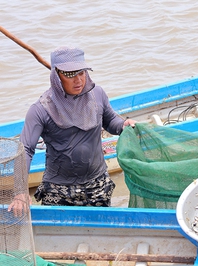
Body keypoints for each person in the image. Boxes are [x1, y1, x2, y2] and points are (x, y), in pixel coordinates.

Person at [8, 46, 136, 212]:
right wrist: (20, 192)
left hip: (97, 184)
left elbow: (110, 120)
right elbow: (25, 149)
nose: (78, 80)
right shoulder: (40, 109)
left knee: (98, 233)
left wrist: (123, 125)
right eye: (69, 74)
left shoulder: (97, 94)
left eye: (81, 72)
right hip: (59, 189)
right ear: (56, 76)